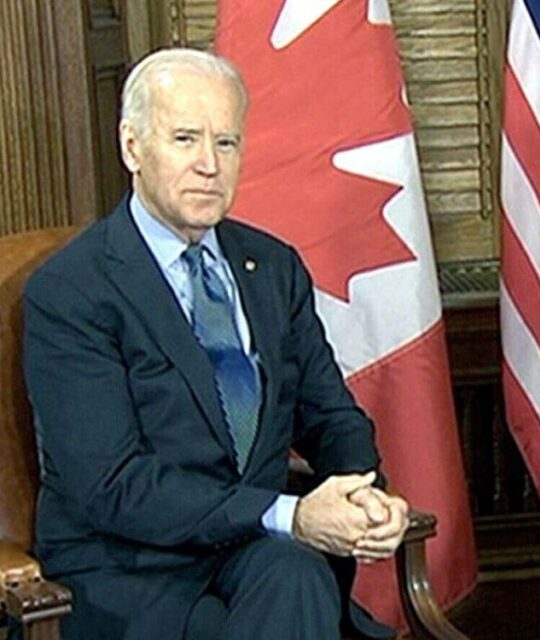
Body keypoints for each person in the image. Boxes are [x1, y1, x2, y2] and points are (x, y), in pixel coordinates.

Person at [22, 48, 408, 640]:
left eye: (226, 143)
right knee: (291, 585)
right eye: (184, 139)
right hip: (131, 570)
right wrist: (291, 515)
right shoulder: (73, 291)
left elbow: (331, 416)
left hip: (248, 554)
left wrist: (361, 493)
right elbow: (113, 485)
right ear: (132, 147)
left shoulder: (273, 267)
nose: (209, 164)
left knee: (294, 576)